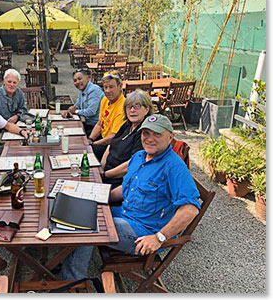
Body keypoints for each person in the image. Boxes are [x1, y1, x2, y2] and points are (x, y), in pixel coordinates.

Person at [59, 114, 201, 280]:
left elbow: (190, 209)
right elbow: (125, 188)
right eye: (146, 133)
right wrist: (97, 195)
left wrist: (159, 237)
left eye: (157, 134)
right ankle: (66, 263)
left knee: (91, 223)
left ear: (170, 137)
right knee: (81, 209)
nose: (149, 139)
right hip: (125, 214)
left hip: (144, 231)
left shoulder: (174, 166)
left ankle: (71, 280)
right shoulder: (140, 156)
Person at [100, 90, 154, 189]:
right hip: (106, 172)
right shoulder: (127, 125)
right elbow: (111, 145)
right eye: (129, 107)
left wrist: (106, 175)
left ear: (147, 109)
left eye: (137, 106)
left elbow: (132, 164)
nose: (132, 110)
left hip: (119, 180)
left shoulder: (144, 133)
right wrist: (101, 166)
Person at [88, 70, 126, 161]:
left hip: (113, 144)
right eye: (105, 87)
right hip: (104, 137)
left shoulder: (122, 107)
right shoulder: (105, 100)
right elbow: (99, 124)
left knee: (89, 152)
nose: (108, 91)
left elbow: (113, 137)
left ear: (120, 86)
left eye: (111, 87)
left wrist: (94, 144)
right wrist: (90, 139)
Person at [61, 69, 104, 137]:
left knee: (73, 137)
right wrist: (69, 111)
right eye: (75, 81)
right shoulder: (82, 90)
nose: (77, 82)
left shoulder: (94, 90)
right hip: (89, 124)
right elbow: (77, 105)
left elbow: (91, 112)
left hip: (98, 128)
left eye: (79, 79)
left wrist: (76, 111)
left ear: (87, 78)